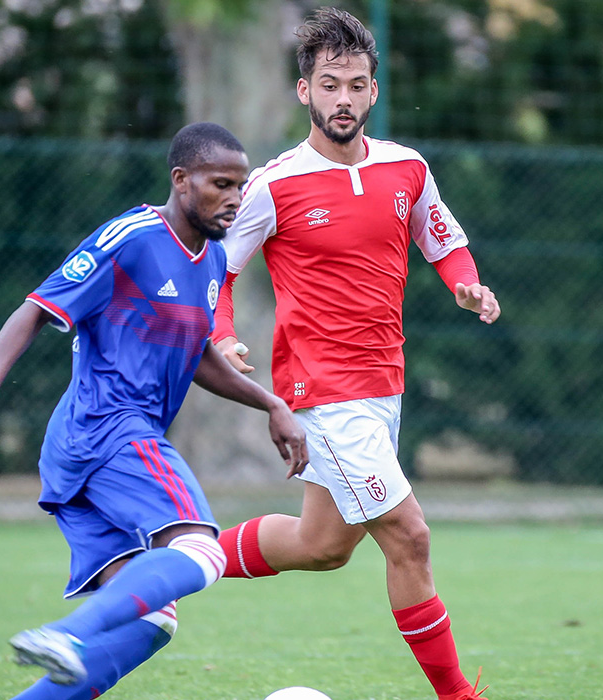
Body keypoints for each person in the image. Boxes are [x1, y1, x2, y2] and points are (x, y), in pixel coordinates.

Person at [0, 121, 308, 700]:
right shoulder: (133, 236)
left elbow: (196, 356)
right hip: (110, 429)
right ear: (181, 180)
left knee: (151, 621)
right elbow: (37, 307)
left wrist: (269, 405)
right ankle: (63, 634)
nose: (235, 198)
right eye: (221, 184)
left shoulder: (211, 260)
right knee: (199, 549)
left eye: (240, 186)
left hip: (88, 447)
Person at [211, 8, 499, 700]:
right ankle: (461, 696)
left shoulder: (407, 167)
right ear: (304, 91)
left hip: (382, 386)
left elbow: (442, 240)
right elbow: (216, 271)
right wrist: (220, 334)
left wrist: (466, 285)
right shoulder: (275, 184)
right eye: (330, 84)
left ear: (374, 92)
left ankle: (175, 556)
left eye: (357, 85)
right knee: (410, 536)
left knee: (323, 546)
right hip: (323, 393)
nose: (344, 99)